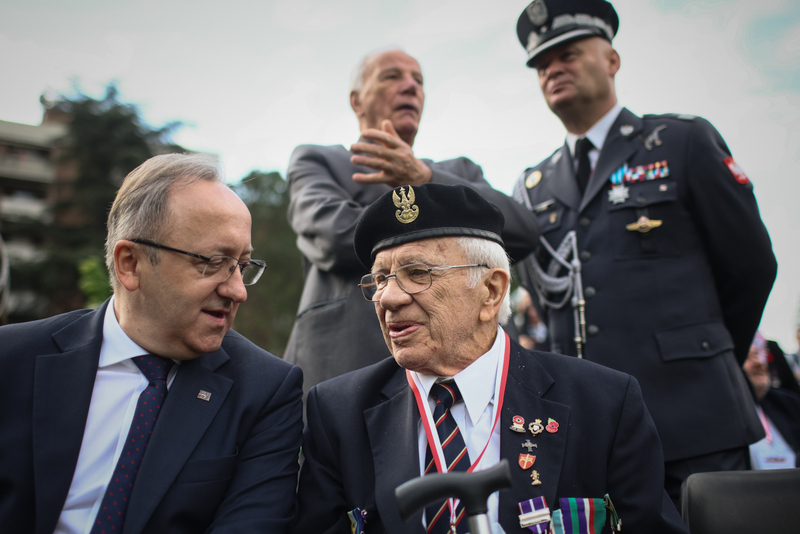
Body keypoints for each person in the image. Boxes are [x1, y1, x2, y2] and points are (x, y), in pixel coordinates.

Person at [294, 183, 687, 534]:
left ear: (491, 292)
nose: (389, 298)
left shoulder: (603, 402)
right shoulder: (337, 413)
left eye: (417, 273)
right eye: (381, 279)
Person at [512, 0, 776, 505]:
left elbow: (751, 266)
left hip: (695, 418)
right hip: (590, 430)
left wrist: (705, 357)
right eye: (542, 64)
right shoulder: (534, 185)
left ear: (611, 60)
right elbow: (548, 297)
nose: (553, 69)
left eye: (567, 53)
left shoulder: (681, 142)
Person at [0, 154, 304, 533]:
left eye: (242, 265)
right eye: (213, 262)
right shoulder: (11, 360)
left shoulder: (265, 391)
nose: (237, 291)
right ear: (130, 263)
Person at [285, 48, 540, 395]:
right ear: (357, 101)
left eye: (418, 80)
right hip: (344, 366)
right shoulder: (319, 161)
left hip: (458, 374)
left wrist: (423, 176)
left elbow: (524, 232)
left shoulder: (459, 172)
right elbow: (334, 235)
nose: (410, 87)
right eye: (392, 76)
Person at [744, 333, 800, 470]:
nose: (758, 363)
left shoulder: (788, 404)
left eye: (757, 355)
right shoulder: (722, 415)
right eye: (747, 358)